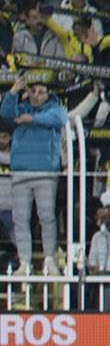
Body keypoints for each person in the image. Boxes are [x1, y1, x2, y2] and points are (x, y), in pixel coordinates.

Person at [0, 77, 67, 276]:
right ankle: (24, 262)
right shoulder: (20, 108)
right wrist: (13, 92)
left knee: (47, 217)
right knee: (20, 219)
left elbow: (59, 120)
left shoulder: (55, 108)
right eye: (33, 91)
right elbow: (5, 113)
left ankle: (49, 260)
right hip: (20, 172)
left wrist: (32, 120)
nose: (36, 95)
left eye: (41, 92)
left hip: (45, 173)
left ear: (48, 94)